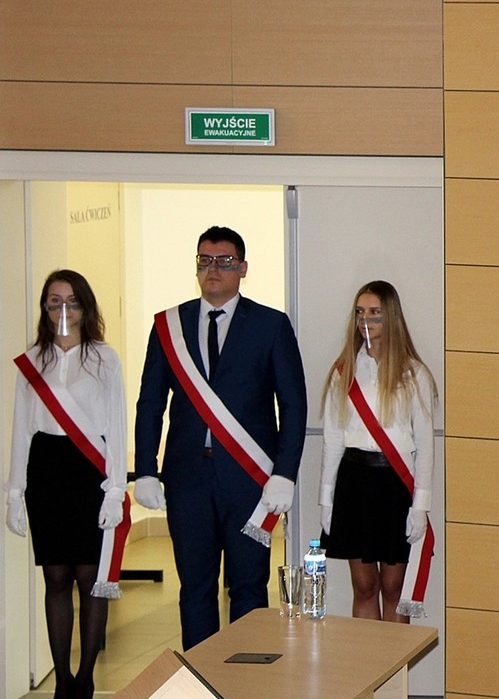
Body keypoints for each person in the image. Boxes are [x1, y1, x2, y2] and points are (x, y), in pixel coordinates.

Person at [133, 226, 307, 649]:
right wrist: (146, 470)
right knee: (195, 588)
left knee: (248, 588)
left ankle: (245, 679)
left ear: (243, 269)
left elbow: (293, 404)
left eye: (224, 262)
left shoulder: (270, 325)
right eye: (205, 261)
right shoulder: (169, 326)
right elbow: (150, 404)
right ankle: (200, 679)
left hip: (249, 482)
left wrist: (284, 473)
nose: (213, 270)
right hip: (188, 479)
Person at [6, 271, 129, 699]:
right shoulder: (31, 362)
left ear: (85, 307)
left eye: (72, 301)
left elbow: (117, 424)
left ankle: (87, 676)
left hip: (89, 471)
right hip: (46, 469)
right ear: (44, 307)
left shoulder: (104, 359)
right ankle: (61, 679)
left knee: (89, 578)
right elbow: (21, 430)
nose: (64, 309)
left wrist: (116, 487)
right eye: (54, 301)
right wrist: (14, 491)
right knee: (55, 579)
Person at [318, 281, 437, 622]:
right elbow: (333, 439)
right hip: (354, 482)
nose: (365, 321)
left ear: (391, 317)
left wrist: (420, 506)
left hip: (395, 484)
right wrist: (326, 500)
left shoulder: (415, 375)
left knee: (394, 587)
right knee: (364, 586)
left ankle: (394, 659)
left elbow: (425, 446)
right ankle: (367, 657)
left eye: (374, 313)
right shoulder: (344, 372)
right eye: (360, 313)